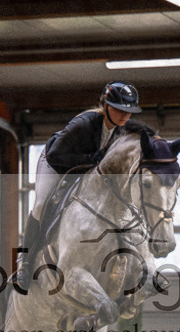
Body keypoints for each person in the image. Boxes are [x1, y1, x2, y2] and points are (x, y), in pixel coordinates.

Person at [13, 81, 143, 290]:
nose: (125, 115)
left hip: (85, 170)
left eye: (129, 111)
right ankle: (24, 263)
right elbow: (57, 155)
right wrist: (91, 160)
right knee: (41, 204)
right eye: (119, 109)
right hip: (56, 163)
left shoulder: (121, 132)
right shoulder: (83, 123)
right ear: (106, 105)